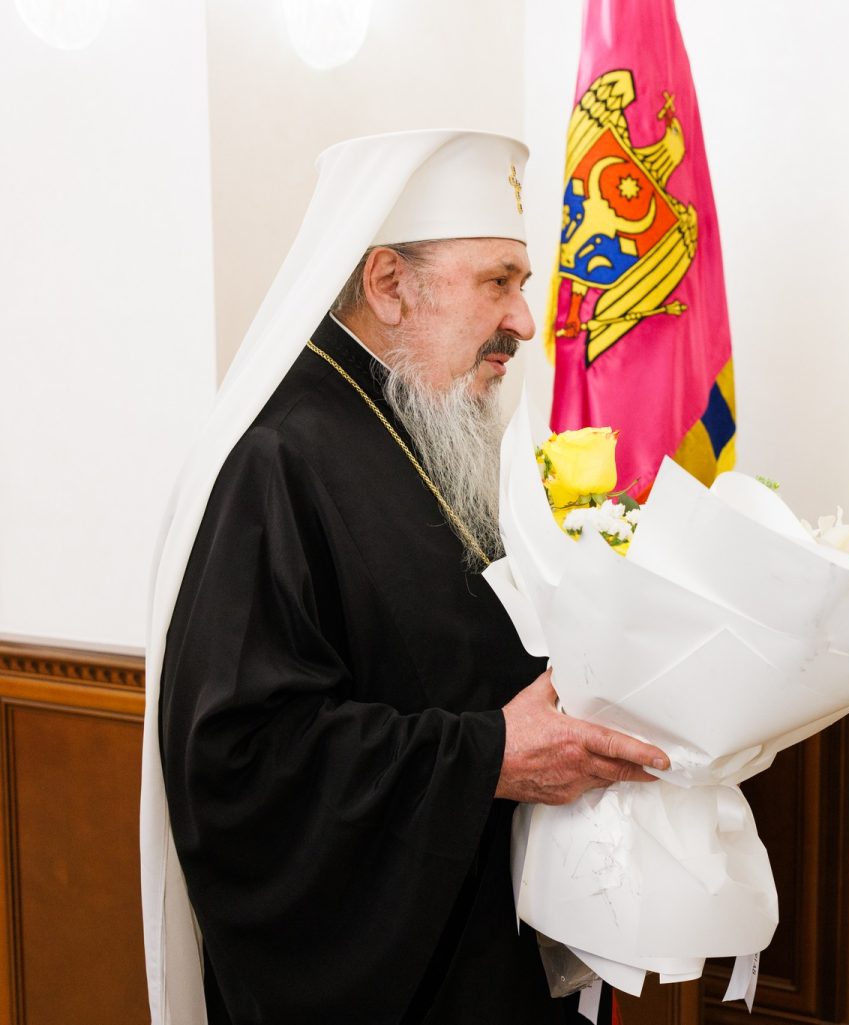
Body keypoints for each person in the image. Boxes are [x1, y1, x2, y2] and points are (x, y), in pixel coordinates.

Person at [144, 130, 669, 1024]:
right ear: (389, 283)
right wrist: (487, 756)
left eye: (522, 283)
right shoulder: (277, 460)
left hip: (486, 947)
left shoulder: (429, 424)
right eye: (498, 282)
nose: (525, 321)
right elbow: (239, 764)